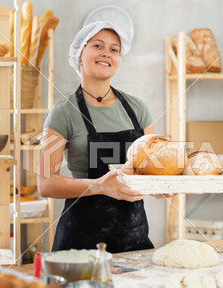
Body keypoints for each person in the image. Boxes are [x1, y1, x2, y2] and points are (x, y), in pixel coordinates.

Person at [37, 21, 156, 253]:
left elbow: (149, 169)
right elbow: (45, 183)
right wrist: (99, 186)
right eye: (97, 45)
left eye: (114, 49)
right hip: (81, 240)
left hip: (133, 237)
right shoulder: (64, 113)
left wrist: (161, 185)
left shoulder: (138, 109)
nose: (106, 53)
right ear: (80, 55)